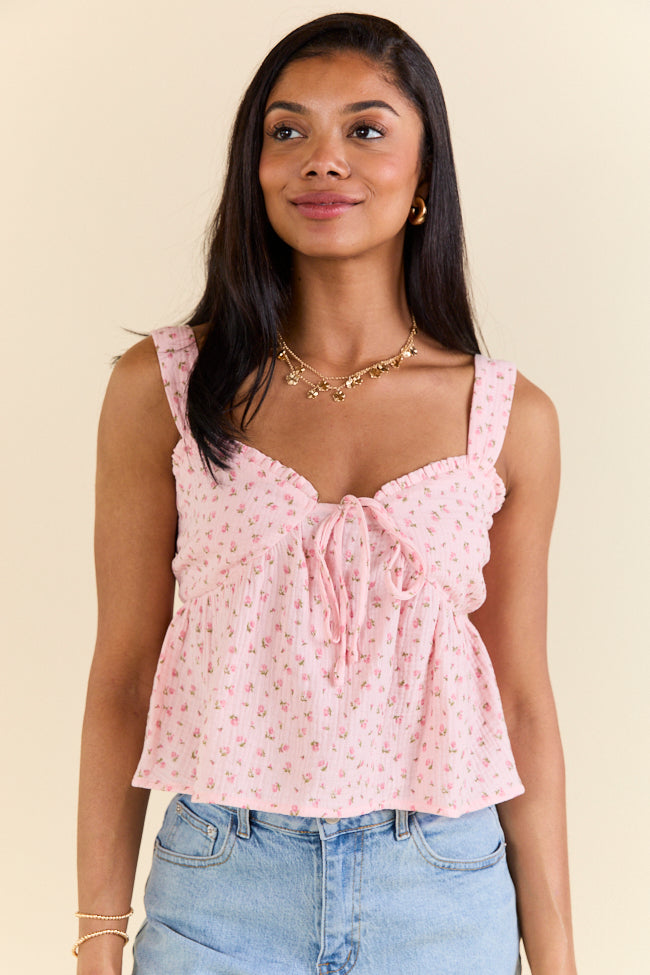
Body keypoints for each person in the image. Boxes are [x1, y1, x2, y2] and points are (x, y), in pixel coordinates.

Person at [76, 12, 577, 975]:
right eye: (288, 130)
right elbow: (124, 676)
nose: (323, 159)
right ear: (256, 168)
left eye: (366, 128)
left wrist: (557, 959)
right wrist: (98, 937)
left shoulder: (508, 418)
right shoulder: (167, 386)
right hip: (220, 889)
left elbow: (520, 700)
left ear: (424, 179)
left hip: (443, 890)